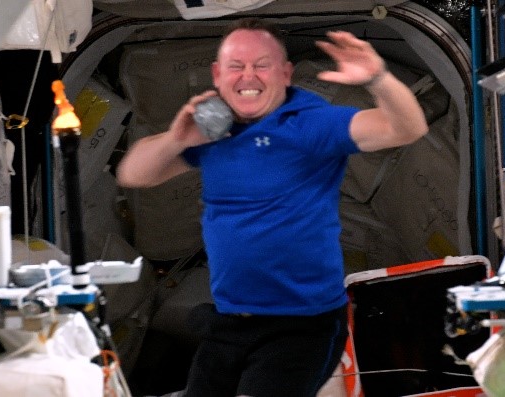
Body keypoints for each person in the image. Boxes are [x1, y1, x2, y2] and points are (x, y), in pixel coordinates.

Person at [116, 17, 428, 397]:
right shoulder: (215, 131)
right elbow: (134, 174)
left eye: (261, 65)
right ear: (218, 74)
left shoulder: (309, 124)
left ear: (285, 73)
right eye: (237, 66)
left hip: (299, 326)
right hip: (229, 322)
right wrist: (176, 138)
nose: (249, 76)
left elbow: (406, 129)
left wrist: (378, 78)